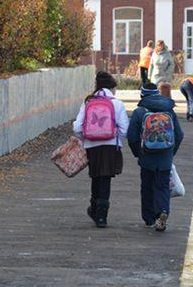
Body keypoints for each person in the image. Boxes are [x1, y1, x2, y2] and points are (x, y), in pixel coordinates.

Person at [73, 71, 129, 228]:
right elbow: (124, 128)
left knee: (95, 177)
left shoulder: (88, 102)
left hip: (92, 146)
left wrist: (87, 138)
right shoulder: (117, 103)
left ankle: (95, 208)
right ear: (112, 87)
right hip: (110, 146)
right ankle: (102, 216)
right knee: (106, 179)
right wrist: (114, 138)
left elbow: (77, 127)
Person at [127, 82, 184, 232]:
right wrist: (171, 153)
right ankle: (162, 212)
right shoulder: (169, 111)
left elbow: (132, 137)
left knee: (147, 188)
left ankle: (149, 219)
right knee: (163, 186)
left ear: (142, 94)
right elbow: (179, 134)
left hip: (146, 156)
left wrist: (138, 153)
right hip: (165, 158)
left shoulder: (140, 112)